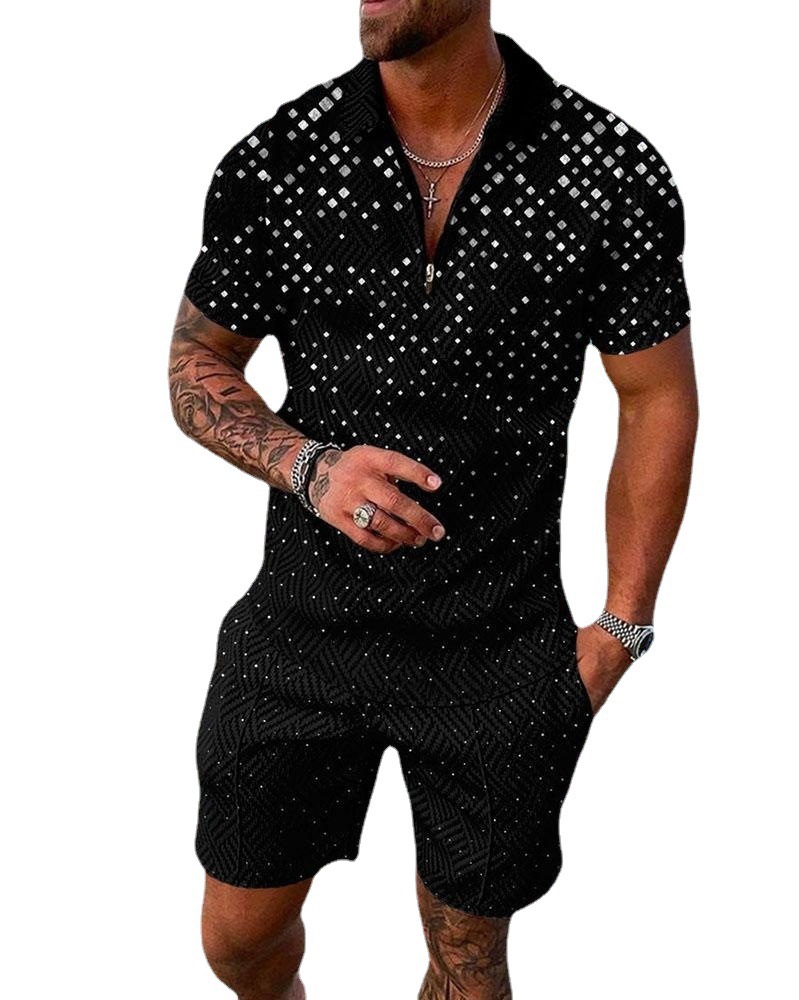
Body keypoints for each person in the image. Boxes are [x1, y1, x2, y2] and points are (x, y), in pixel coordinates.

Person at [169, 2, 698, 997]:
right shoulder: (281, 159)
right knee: (236, 942)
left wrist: (621, 626)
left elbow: (655, 395)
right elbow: (198, 360)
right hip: (299, 632)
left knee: (467, 964)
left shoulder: (605, 169)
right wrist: (306, 464)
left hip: (495, 649)